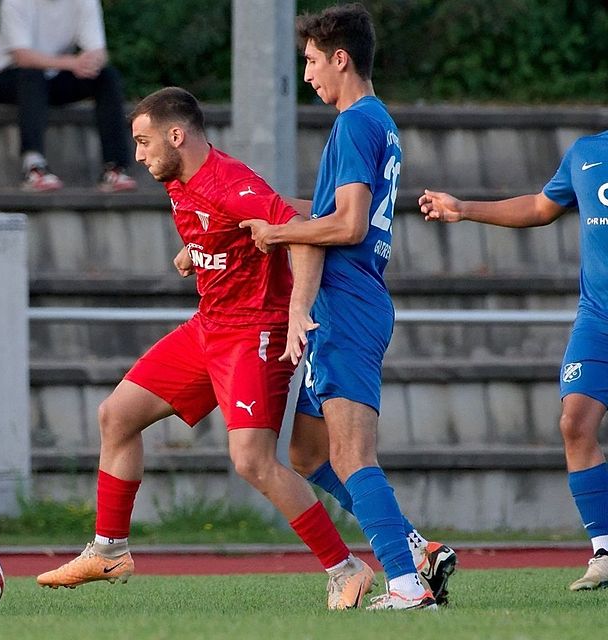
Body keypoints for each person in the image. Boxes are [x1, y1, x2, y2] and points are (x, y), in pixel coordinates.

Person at [36, 87, 377, 610]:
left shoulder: (231, 182)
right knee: (117, 415)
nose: (140, 154)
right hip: (209, 327)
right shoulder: (180, 180)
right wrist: (198, 251)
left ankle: (345, 568)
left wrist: (296, 313)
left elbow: (303, 232)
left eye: (145, 142)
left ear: (177, 135)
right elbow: (224, 225)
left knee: (252, 462)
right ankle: (109, 550)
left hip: (252, 332)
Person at [239, 4, 454, 610]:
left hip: (348, 302)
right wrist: (270, 211)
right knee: (309, 454)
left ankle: (408, 586)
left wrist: (280, 235)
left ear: (340, 58)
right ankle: (413, 548)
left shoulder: (356, 123)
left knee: (354, 453)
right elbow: (332, 207)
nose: (307, 76)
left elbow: (350, 224)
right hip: (351, 301)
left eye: (311, 62)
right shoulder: (373, 121)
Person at [419, 131, 608, 591]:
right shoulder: (587, 152)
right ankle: (605, 551)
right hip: (598, 319)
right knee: (574, 422)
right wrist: (464, 208)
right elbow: (541, 207)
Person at [0, 0, 137, 192]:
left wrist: (91, 62)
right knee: (32, 75)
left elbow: (98, 50)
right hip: (6, 77)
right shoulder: (14, 3)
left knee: (106, 76)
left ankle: (115, 167)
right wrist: (72, 63)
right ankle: (34, 165)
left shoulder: (85, 2)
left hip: (54, 78)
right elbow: (22, 57)